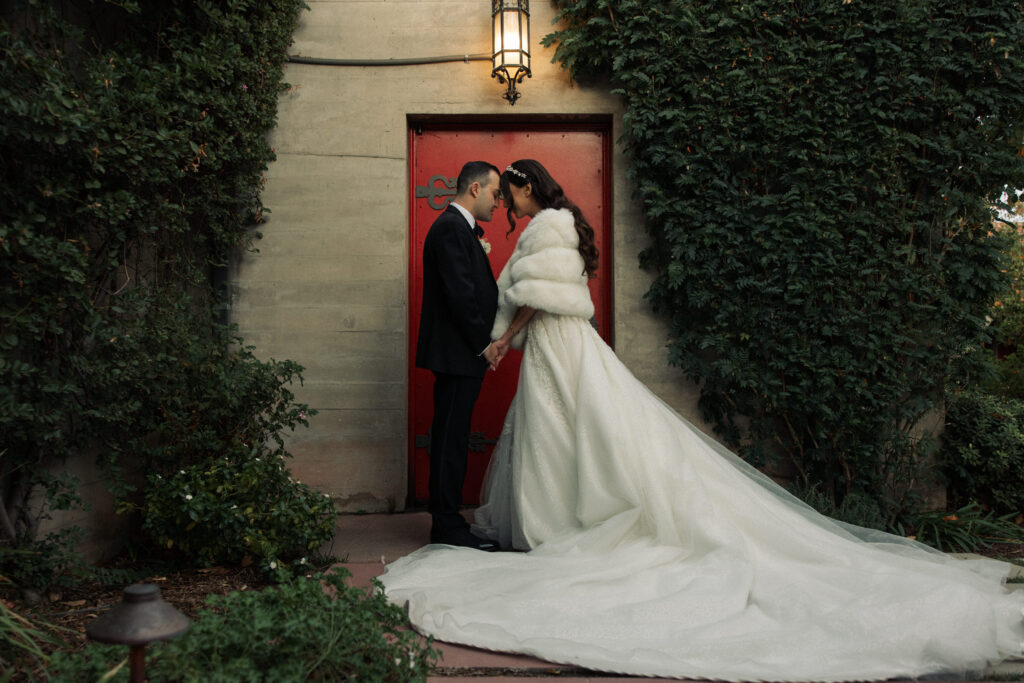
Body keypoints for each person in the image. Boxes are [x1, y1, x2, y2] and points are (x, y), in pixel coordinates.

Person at [385, 159, 1024, 680]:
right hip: (558, 348)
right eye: (499, 196)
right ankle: (560, 518)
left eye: (510, 193)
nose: (506, 204)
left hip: (558, 347)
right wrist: (502, 336)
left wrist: (501, 339)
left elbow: (538, 297)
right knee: (571, 435)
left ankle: (563, 524)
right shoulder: (552, 222)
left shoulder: (545, 225)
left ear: (526, 185)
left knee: (568, 433)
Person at [415, 161, 503, 551]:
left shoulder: (457, 228)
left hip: (459, 354)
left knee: (454, 433)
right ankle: (447, 523)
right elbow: (460, 294)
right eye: (495, 193)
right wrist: (484, 345)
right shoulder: (451, 228)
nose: (498, 202)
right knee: (451, 437)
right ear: (475, 189)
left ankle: (447, 519)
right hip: (457, 354)